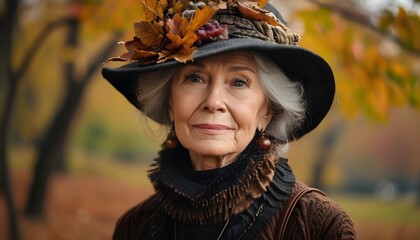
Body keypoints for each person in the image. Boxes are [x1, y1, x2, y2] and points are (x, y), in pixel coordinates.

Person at [102, 0, 357, 239]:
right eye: (194, 78)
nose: (213, 102)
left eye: (239, 82)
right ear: (170, 102)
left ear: (267, 110)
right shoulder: (135, 227)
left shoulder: (319, 226)